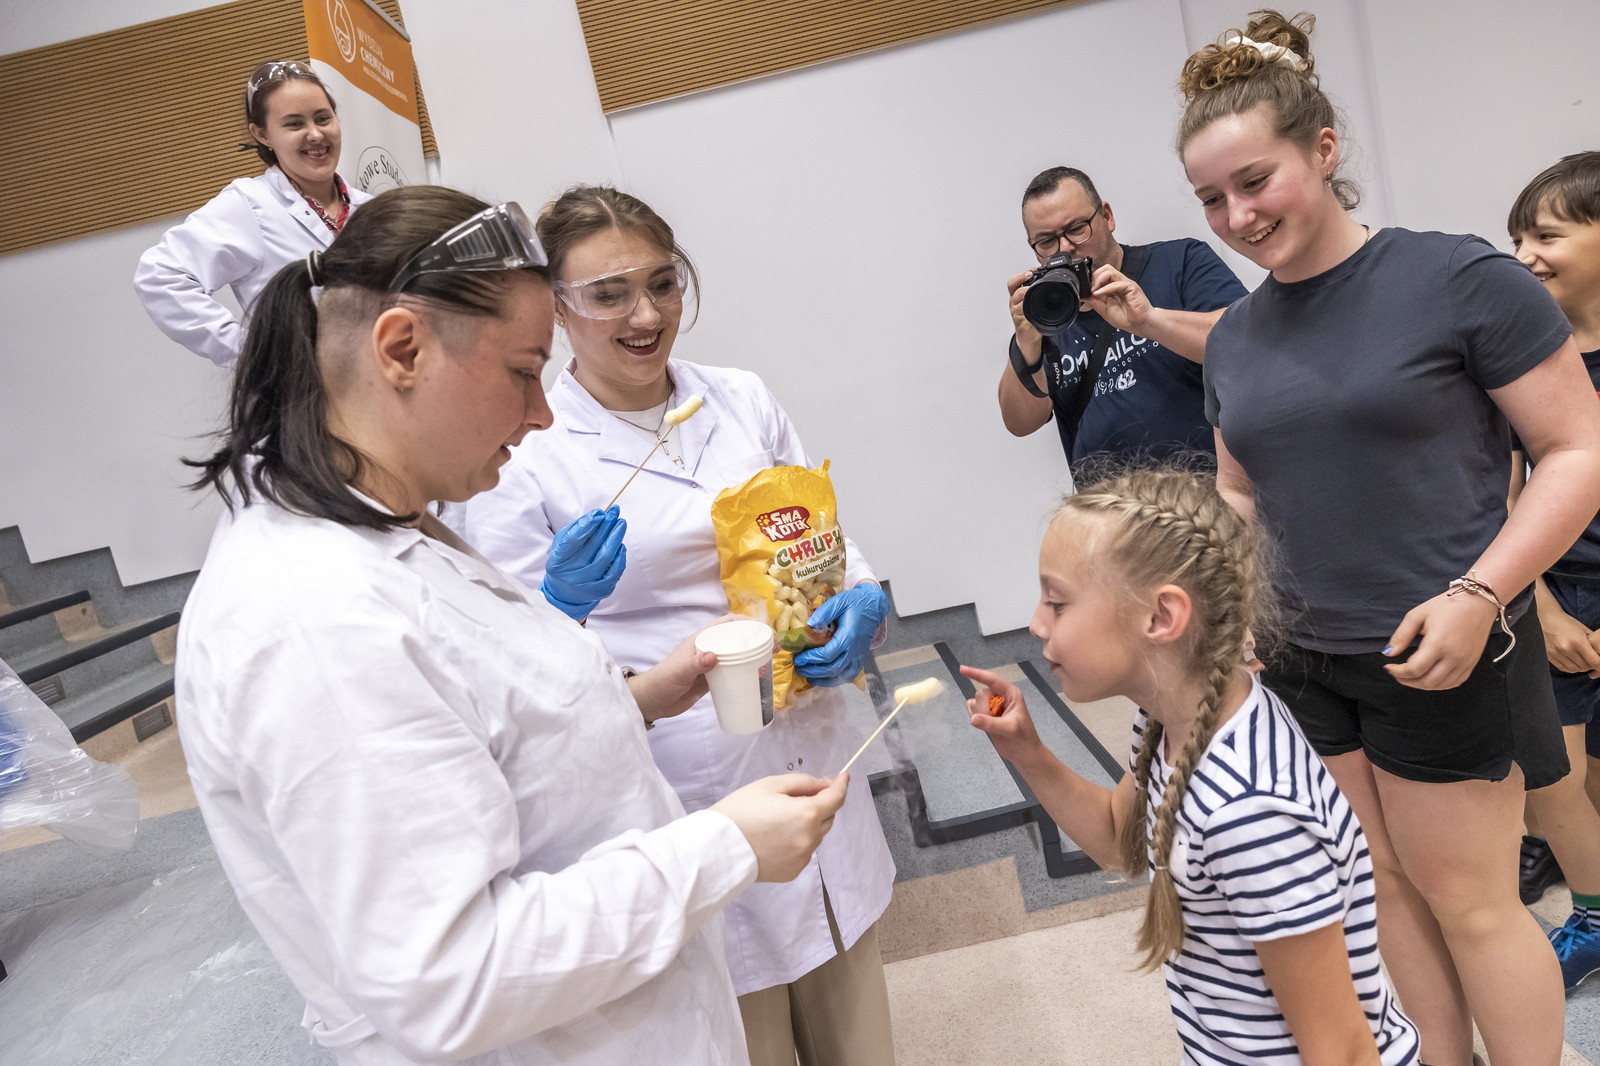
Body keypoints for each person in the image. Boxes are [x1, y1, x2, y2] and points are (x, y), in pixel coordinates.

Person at [175, 184, 851, 1065]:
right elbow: (449, 977)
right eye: (524, 372)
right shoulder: (316, 624)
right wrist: (723, 847)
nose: (542, 414)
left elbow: (486, 733)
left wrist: (642, 696)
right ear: (403, 348)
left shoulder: (390, 527)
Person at [1183, 13, 1600, 1066]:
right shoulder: (1234, 338)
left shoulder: (1456, 279)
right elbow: (1237, 491)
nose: (1236, 217)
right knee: (1378, 887)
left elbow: (1575, 451)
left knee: (1471, 898)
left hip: (1444, 641)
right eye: (1211, 199)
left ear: (1323, 149)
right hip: (1303, 657)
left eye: (1255, 181)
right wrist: (1231, 609)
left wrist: (1481, 594)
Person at [459, 186, 898, 1066]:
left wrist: (860, 591)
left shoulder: (738, 397)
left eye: (662, 283)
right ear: (557, 306)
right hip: (685, 770)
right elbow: (501, 658)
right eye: (610, 294)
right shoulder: (531, 451)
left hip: (808, 729)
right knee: (740, 1022)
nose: (646, 315)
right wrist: (560, 605)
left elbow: (814, 527)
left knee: (853, 1013)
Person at [964, 468, 1419, 1064]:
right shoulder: (1173, 720)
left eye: (1057, 602)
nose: (1036, 623)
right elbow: (1120, 840)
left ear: (1161, 617)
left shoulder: (1248, 816)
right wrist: (1027, 751)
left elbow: (1342, 1050)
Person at [1507, 150, 1600, 990]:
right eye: (1518, 238)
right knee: (1552, 775)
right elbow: (1503, 499)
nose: (1525, 255)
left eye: (1546, 236)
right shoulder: (1524, 359)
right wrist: (1542, 605)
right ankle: (1595, 917)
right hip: (1555, 593)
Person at [996, 166, 1248, 468]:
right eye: (1046, 241)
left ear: (1107, 216)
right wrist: (1026, 342)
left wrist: (1150, 322)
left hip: (1202, 492)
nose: (1065, 248)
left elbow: (1244, 345)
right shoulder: (1047, 314)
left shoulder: (1180, 261)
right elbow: (1020, 423)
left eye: (1076, 228)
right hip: (1106, 499)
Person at [135, 60, 372, 367]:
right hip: (302, 389)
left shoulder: (371, 209)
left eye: (323, 118)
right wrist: (253, 354)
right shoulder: (250, 205)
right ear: (262, 134)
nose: (315, 134)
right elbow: (160, 276)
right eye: (294, 124)